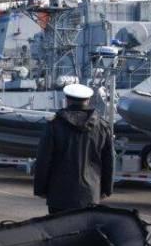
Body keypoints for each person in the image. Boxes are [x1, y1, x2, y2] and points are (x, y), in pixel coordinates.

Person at [33, 83, 114, 214]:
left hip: (59, 194)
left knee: (58, 227)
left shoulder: (54, 125)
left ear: (67, 100)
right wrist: (106, 189)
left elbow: (44, 160)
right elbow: (108, 161)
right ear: (88, 100)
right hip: (90, 194)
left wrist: (40, 189)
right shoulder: (102, 126)